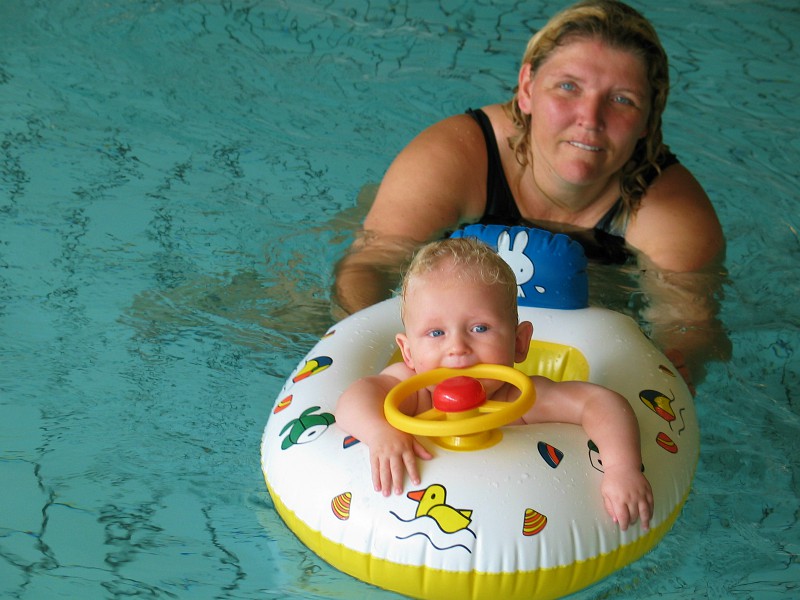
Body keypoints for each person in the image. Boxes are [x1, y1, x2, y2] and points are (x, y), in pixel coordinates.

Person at [334, 0, 729, 391]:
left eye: (622, 99)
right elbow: (368, 265)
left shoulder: (674, 217)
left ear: (648, 121)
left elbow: (687, 334)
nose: (590, 119)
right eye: (568, 87)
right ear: (527, 88)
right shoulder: (458, 158)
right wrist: (381, 365)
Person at [335, 238, 654, 531]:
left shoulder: (527, 399)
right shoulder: (411, 389)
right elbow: (353, 400)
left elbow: (601, 403)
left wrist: (621, 468)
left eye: (479, 328)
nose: (457, 347)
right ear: (408, 352)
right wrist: (381, 432)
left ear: (519, 342)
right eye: (436, 333)